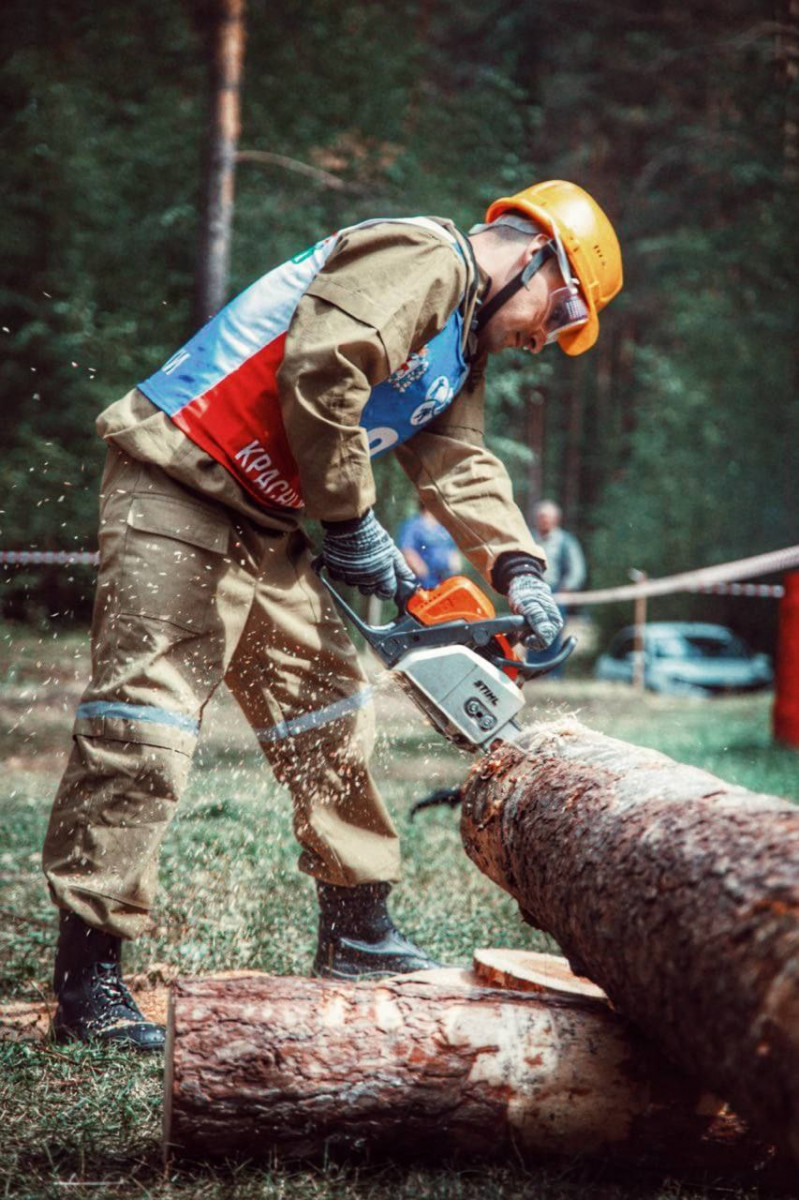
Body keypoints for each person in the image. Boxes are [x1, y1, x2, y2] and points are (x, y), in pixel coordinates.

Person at [42, 180, 623, 1050]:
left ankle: (356, 932)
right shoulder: (427, 259)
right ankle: (89, 977)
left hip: (270, 522)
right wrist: (352, 522)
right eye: (557, 315)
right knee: (145, 724)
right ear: (541, 261)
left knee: (330, 715)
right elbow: (324, 365)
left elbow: (458, 460)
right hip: (182, 481)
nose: (543, 339)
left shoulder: (460, 345)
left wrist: (521, 568)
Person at [526, 499, 587, 673]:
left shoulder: (566, 541)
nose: (544, 521)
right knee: (531, 632)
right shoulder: (528, 539)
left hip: (556, 594)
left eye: (547, 517)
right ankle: (533, 672)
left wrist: (566, 588)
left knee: (553, 633)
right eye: (541, 517)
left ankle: (553, 674)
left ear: (555, 519)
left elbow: (577, 570)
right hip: (531, 592)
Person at [398, 504, 461, 589]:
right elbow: (407, 550)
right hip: (422, 583)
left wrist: (454, 564)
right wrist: (421, 570)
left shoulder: (443, 527)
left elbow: (452, 549)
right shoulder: (413, 525)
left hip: (445, 581)